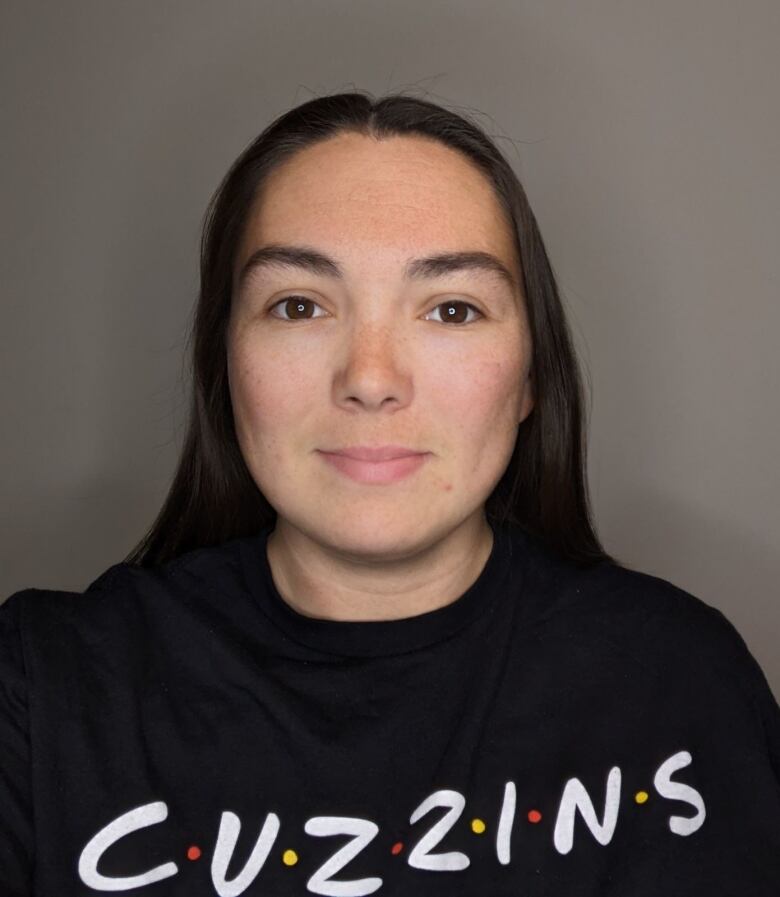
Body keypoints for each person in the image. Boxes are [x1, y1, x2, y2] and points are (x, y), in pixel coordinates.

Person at [1, 91, 779, 896]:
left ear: (529, 379)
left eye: (451, 308)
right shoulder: (41, 688)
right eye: (298, 305)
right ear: (225, 365)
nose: (370, 378)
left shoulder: (679, 682)